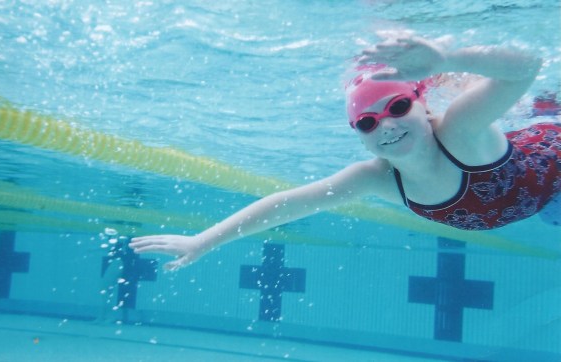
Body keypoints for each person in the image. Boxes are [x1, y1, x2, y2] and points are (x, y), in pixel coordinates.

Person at [130, 33, 561, 271]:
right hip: (540, 204)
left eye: (397, 107)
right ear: (358, 134)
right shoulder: (375, 177)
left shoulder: (461, 132)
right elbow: (287, 205)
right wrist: (203, 241)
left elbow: (526, 65)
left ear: (424, 105)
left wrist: (446, 56)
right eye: (369, 122)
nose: (386, 126)